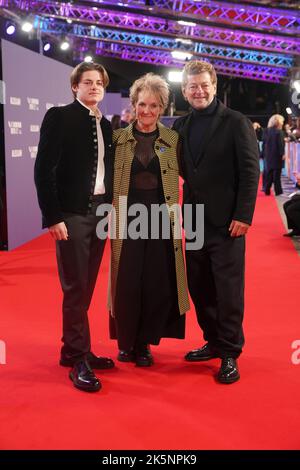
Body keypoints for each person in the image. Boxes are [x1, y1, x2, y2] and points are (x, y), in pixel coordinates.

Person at [173, 60, 259, 384]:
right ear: (184, 91)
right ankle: (213, 340)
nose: (198, 90)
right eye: (192, 86)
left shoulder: (236, 122)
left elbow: (251, 172)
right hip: (193, 219)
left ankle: (230, 352)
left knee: (228, 290)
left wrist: (243, 214)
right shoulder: (179, 126)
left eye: (203, 85)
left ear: (214, 86)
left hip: (227, 222)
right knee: (199, 286)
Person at [34, 62, 115, 393]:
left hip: (101, 214)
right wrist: (53, 216)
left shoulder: (107, 124)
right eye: (88, 82)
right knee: (75, 289)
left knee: (86, 286)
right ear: (75, 87)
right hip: (72, 215)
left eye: (99, 83)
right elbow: (43, 170)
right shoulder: (60, 117)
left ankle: (73, 350)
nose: (94, 87)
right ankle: (79, 358)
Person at [109, 73, 190, 366]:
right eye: (142, 104)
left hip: (160, 219)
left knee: (155, 282)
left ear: (163, 108)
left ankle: (144, 344)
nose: (147, 111)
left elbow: (191, 176)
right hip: (126, 219)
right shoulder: (117, 139)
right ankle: (125, 341)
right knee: (127, 282)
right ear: (133, 105)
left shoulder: (172, 139)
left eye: (154, 105)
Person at [262, 114, 285, 196]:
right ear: (278, 122)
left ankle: (267, 189)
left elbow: (264, 144)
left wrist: (263, 154)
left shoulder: (266, 131)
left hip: (268, 155)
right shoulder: (279, 132)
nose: (282, 123)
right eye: (282, 121)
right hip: (277, 155)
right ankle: (278, 191)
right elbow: (280, 144)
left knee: (269, 173)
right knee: (277, 175)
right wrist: (282, 154)